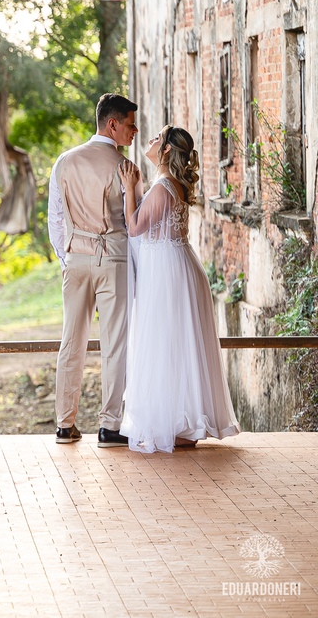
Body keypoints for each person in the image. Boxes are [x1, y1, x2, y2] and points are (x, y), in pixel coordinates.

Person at [117, 126, 241, 452]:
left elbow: (134, 227)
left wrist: (130, 188)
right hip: (177, 265)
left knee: (166, 344)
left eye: (157, 138)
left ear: (168, 150)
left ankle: (176, 425)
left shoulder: (163, 188)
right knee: (175, 344)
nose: (150, 140)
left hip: (166, 272)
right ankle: (181, 425)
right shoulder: (171, 185)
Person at [48, 93, 138, 447]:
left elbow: (56, 218)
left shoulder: (64, 162)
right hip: (113, 259)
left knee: (72, 341)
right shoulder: (126, 168)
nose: (133, 132)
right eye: (130, 124)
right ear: (112, 124)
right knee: (114, 343)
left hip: (75, 259)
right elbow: (133, 225)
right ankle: (109, 426)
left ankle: (64, 425)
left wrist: (65, 256)